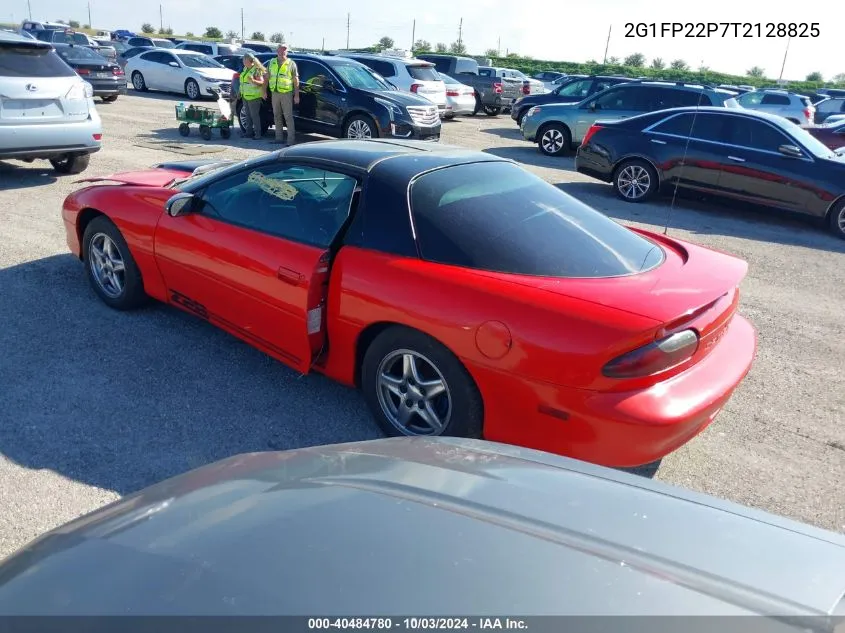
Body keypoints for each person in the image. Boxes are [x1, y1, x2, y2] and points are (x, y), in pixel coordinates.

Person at [267, 44, 300, 145]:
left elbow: (296, 80)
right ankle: (279, 138)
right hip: (275, 93)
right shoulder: (271, 62)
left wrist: (296, 95)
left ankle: (290, 141)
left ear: (287, 52)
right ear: (277, 51)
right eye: (281, 50)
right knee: (276, 116)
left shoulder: (291, 64)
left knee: (288, 117)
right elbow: (267, 77)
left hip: (286, 94)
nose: (282, 52)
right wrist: (263, 90)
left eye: (285, 50)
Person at [239, 53, 267, 140]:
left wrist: (253, 81)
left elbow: (262, 83)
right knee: (247, 115)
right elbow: (243, 83)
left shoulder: (256, 70)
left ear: (248, 60)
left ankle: (258, 134)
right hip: (245, 96)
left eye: (244, 59)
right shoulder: (245, 69)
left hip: (254, 97)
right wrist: (239, 92)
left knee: (254, 116)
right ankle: (248, 133)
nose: (243, 61)